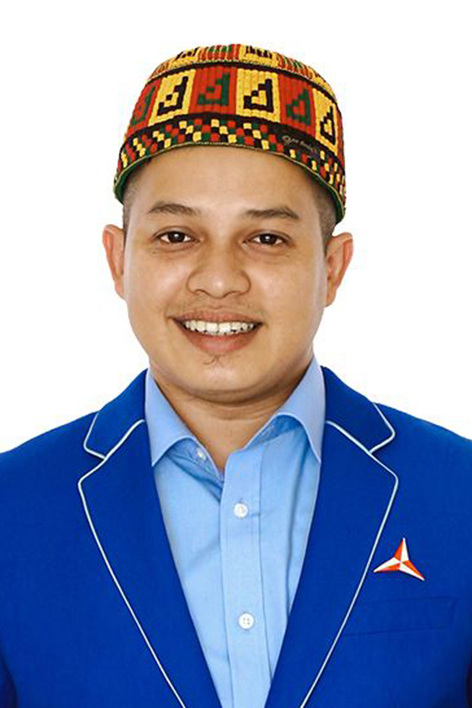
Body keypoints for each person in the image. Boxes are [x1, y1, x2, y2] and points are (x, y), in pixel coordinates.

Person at [0, 43, 471, 708]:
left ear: (332, 267)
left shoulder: (458, 494)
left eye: (266, 239)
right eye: (176, 236)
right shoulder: (13, 510)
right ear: (118, 259)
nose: (219, 279)